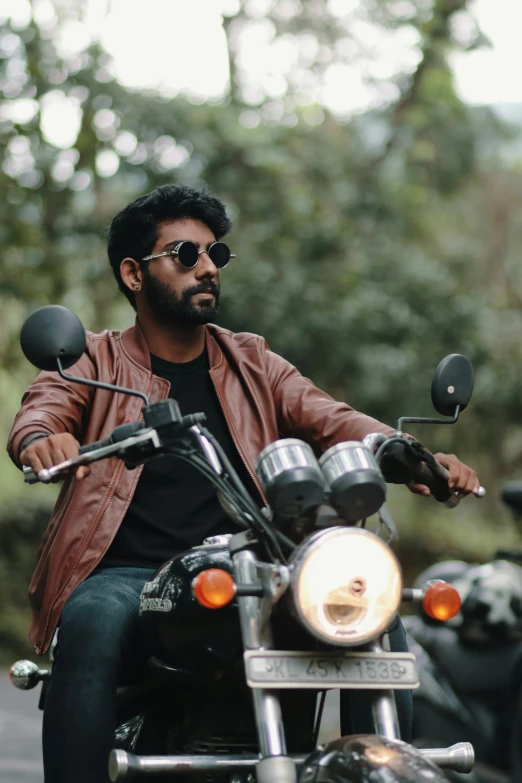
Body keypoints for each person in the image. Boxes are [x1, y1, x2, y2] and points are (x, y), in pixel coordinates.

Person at [7, 184, 480, 783]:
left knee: (371, 608)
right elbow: (43, 408)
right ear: (133, 274)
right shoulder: (92, 364)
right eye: (185, 254)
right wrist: (42, 438)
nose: (207, 267)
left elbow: (330, 417)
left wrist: (407, 452)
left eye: (215, 255)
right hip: (128, 575)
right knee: (91, 619)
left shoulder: (253, 360)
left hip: (252, 566)